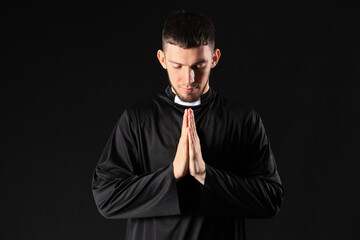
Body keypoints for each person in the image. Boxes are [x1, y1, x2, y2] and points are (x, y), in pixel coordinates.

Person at [92, 10, 284, 240]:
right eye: (178, 66)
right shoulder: (137, 120)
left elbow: (271, 199)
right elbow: (105, 197)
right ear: (162, 59)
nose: (189, 79)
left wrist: (206, 175)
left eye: (199, 66)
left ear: (214, 58)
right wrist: (172, 174)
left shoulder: (243, 120)